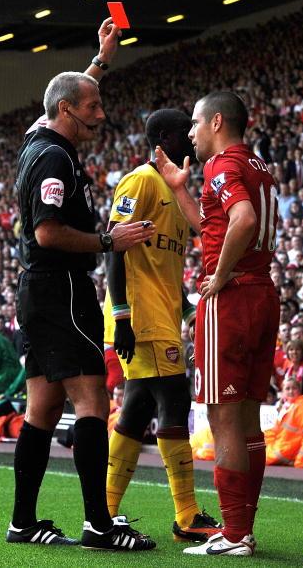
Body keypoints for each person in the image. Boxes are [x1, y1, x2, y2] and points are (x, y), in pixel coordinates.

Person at [9, 18, 156, 551]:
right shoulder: (53, 156)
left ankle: (23, 522)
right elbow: (48, 232)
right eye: (91, 106)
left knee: (43, 410)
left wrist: (102, 58)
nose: (101, 113)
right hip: (62, 288)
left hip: (39, 292)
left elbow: (61, 94)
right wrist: (107, 243)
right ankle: (99, 524)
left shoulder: (38, 137)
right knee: (93, 399)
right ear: (68, 111)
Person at [155, 90, 280, 556]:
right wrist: (179, 189)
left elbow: (241, 220)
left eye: (194, 122)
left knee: (221, 416)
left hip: (232, 298)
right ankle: (243, 530)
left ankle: (233, 534)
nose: (189, 132)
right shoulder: (260, 167)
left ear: (216, 122)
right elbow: (216, 224)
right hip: (263, 292)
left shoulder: (222, 165)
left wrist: (219, 277)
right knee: (247, 418)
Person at [104, 108, 221, 544]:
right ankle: (187, 515)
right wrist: (121, 316)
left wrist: (188, 309)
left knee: (136, 409)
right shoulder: (140, 181)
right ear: (166, 138)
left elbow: (163, 265)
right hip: (140, 316)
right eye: (185, 133)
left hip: (162, 314)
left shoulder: (174, 190)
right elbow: (115, 247)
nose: (192, 139)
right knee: (172, 396)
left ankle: (104, 509)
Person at [265, 377, 303, 468]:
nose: (291, 391)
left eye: (294, 388)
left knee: (253, 457)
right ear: (282, 392)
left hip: (284, 451)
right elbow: (274, 431)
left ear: (299, 390)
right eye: (287, 388)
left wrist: (302, 459)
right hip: (280, 447)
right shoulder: (287, 406)